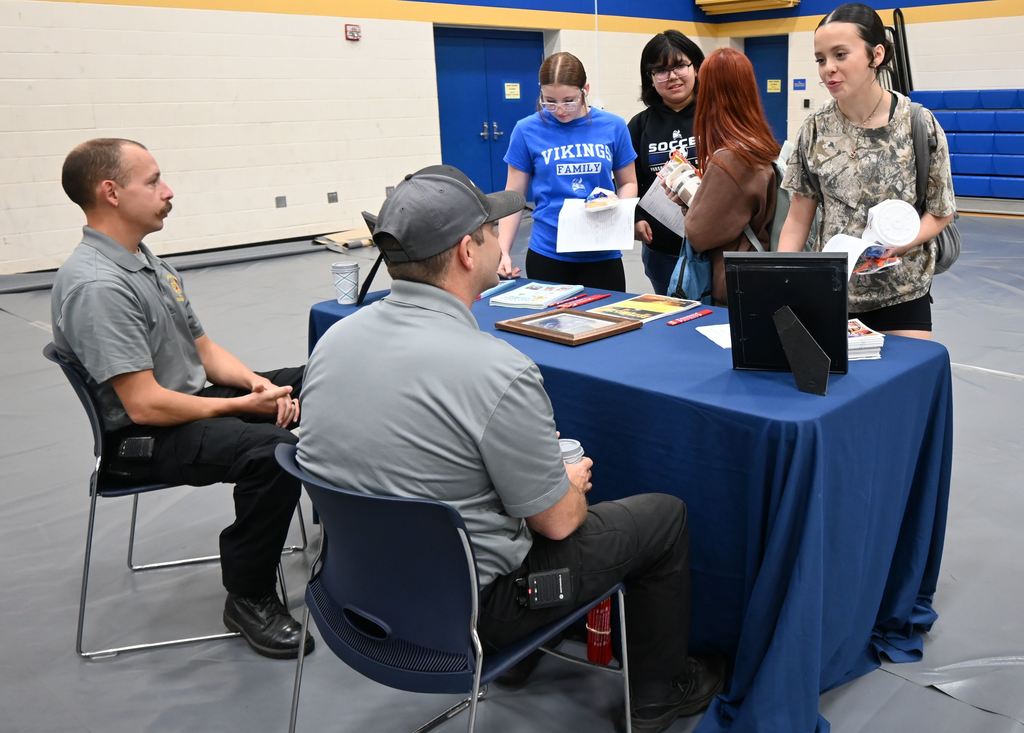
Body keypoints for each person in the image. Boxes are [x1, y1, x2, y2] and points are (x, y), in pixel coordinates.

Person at [298, 164, 724, 733]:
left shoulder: (335, 340)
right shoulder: (496, 370)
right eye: (490, 229)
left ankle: (526, 660)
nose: (504, 237)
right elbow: (556, 524)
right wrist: (567, 485)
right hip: (467, 614)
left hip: (351, 591)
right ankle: (657, 693)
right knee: (663, 518)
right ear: (467, 252)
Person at [51, 138, 313, 660]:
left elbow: (204, 350)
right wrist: (244, 407)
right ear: (111, 193)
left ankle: (355, 515)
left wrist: (257, 386)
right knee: (270, 452)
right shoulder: (99, 286)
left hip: (181, 398)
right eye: (152, 181)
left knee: (325, 374)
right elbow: (144, 405)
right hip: (141, 437)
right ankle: (248, 596)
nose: (168, 191)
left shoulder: (142, 258)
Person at [778, 2, 955, 339]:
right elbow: (798, 218)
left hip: (903, 294)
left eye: (840, 55)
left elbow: (941, 211)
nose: (828, 68)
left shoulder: (918, 122)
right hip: (831, 294)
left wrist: (901, 243)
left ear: (876, 55)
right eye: (820, 58)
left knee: (902, 388)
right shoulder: (814, 129)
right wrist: (783, 278)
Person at [498, 52, 638, 291]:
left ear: (586, 89)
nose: (560, 110)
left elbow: (628, 183)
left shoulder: (613, 126)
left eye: (569, 100)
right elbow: (513, 196)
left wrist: (618, 210)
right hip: (548, 254)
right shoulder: (526, 130)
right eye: (549, 101)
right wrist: (502, 252)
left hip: (602, 254)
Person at [671, 47, 780, 306]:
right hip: (754, 279)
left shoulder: (731, 159)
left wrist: (686, 197)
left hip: (731, 287)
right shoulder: (761, 146)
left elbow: (700, 233)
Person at [628, 30, 705, 294]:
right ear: (650, 78)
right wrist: (635, 219)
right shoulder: (640, 125)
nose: (671, 76)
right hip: (662, 249)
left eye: (680, 65)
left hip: (715, 244)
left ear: (695, 66)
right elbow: (628, 181)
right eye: (660, 70)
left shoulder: (717, 115)